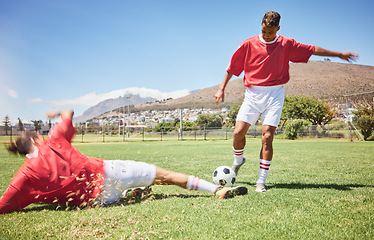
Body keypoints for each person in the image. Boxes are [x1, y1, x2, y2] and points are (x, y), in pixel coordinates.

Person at [215, 11, 358, 192]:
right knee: (237, 133)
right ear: (261, 26)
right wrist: (221, 88)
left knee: (267, 137)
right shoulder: (248, 44)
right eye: (264, 31)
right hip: (252, 94)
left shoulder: (286, 44)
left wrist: (338, 54)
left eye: (270, 32)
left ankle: (261, 180)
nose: (267, 36)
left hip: (275, 94)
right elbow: (231, 68)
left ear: (278, 29)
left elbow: (312, 49)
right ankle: (238, 161)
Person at [0, 109, 247, 215]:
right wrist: (56, 113)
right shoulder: (52, 140)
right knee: (168, 177)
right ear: (36, 137)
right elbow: (69, 112)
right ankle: (216, 190)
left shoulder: (24, 177)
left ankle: (131, 194)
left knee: (119, 197)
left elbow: (4, 205)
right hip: (113, 172)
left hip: (98, 201)